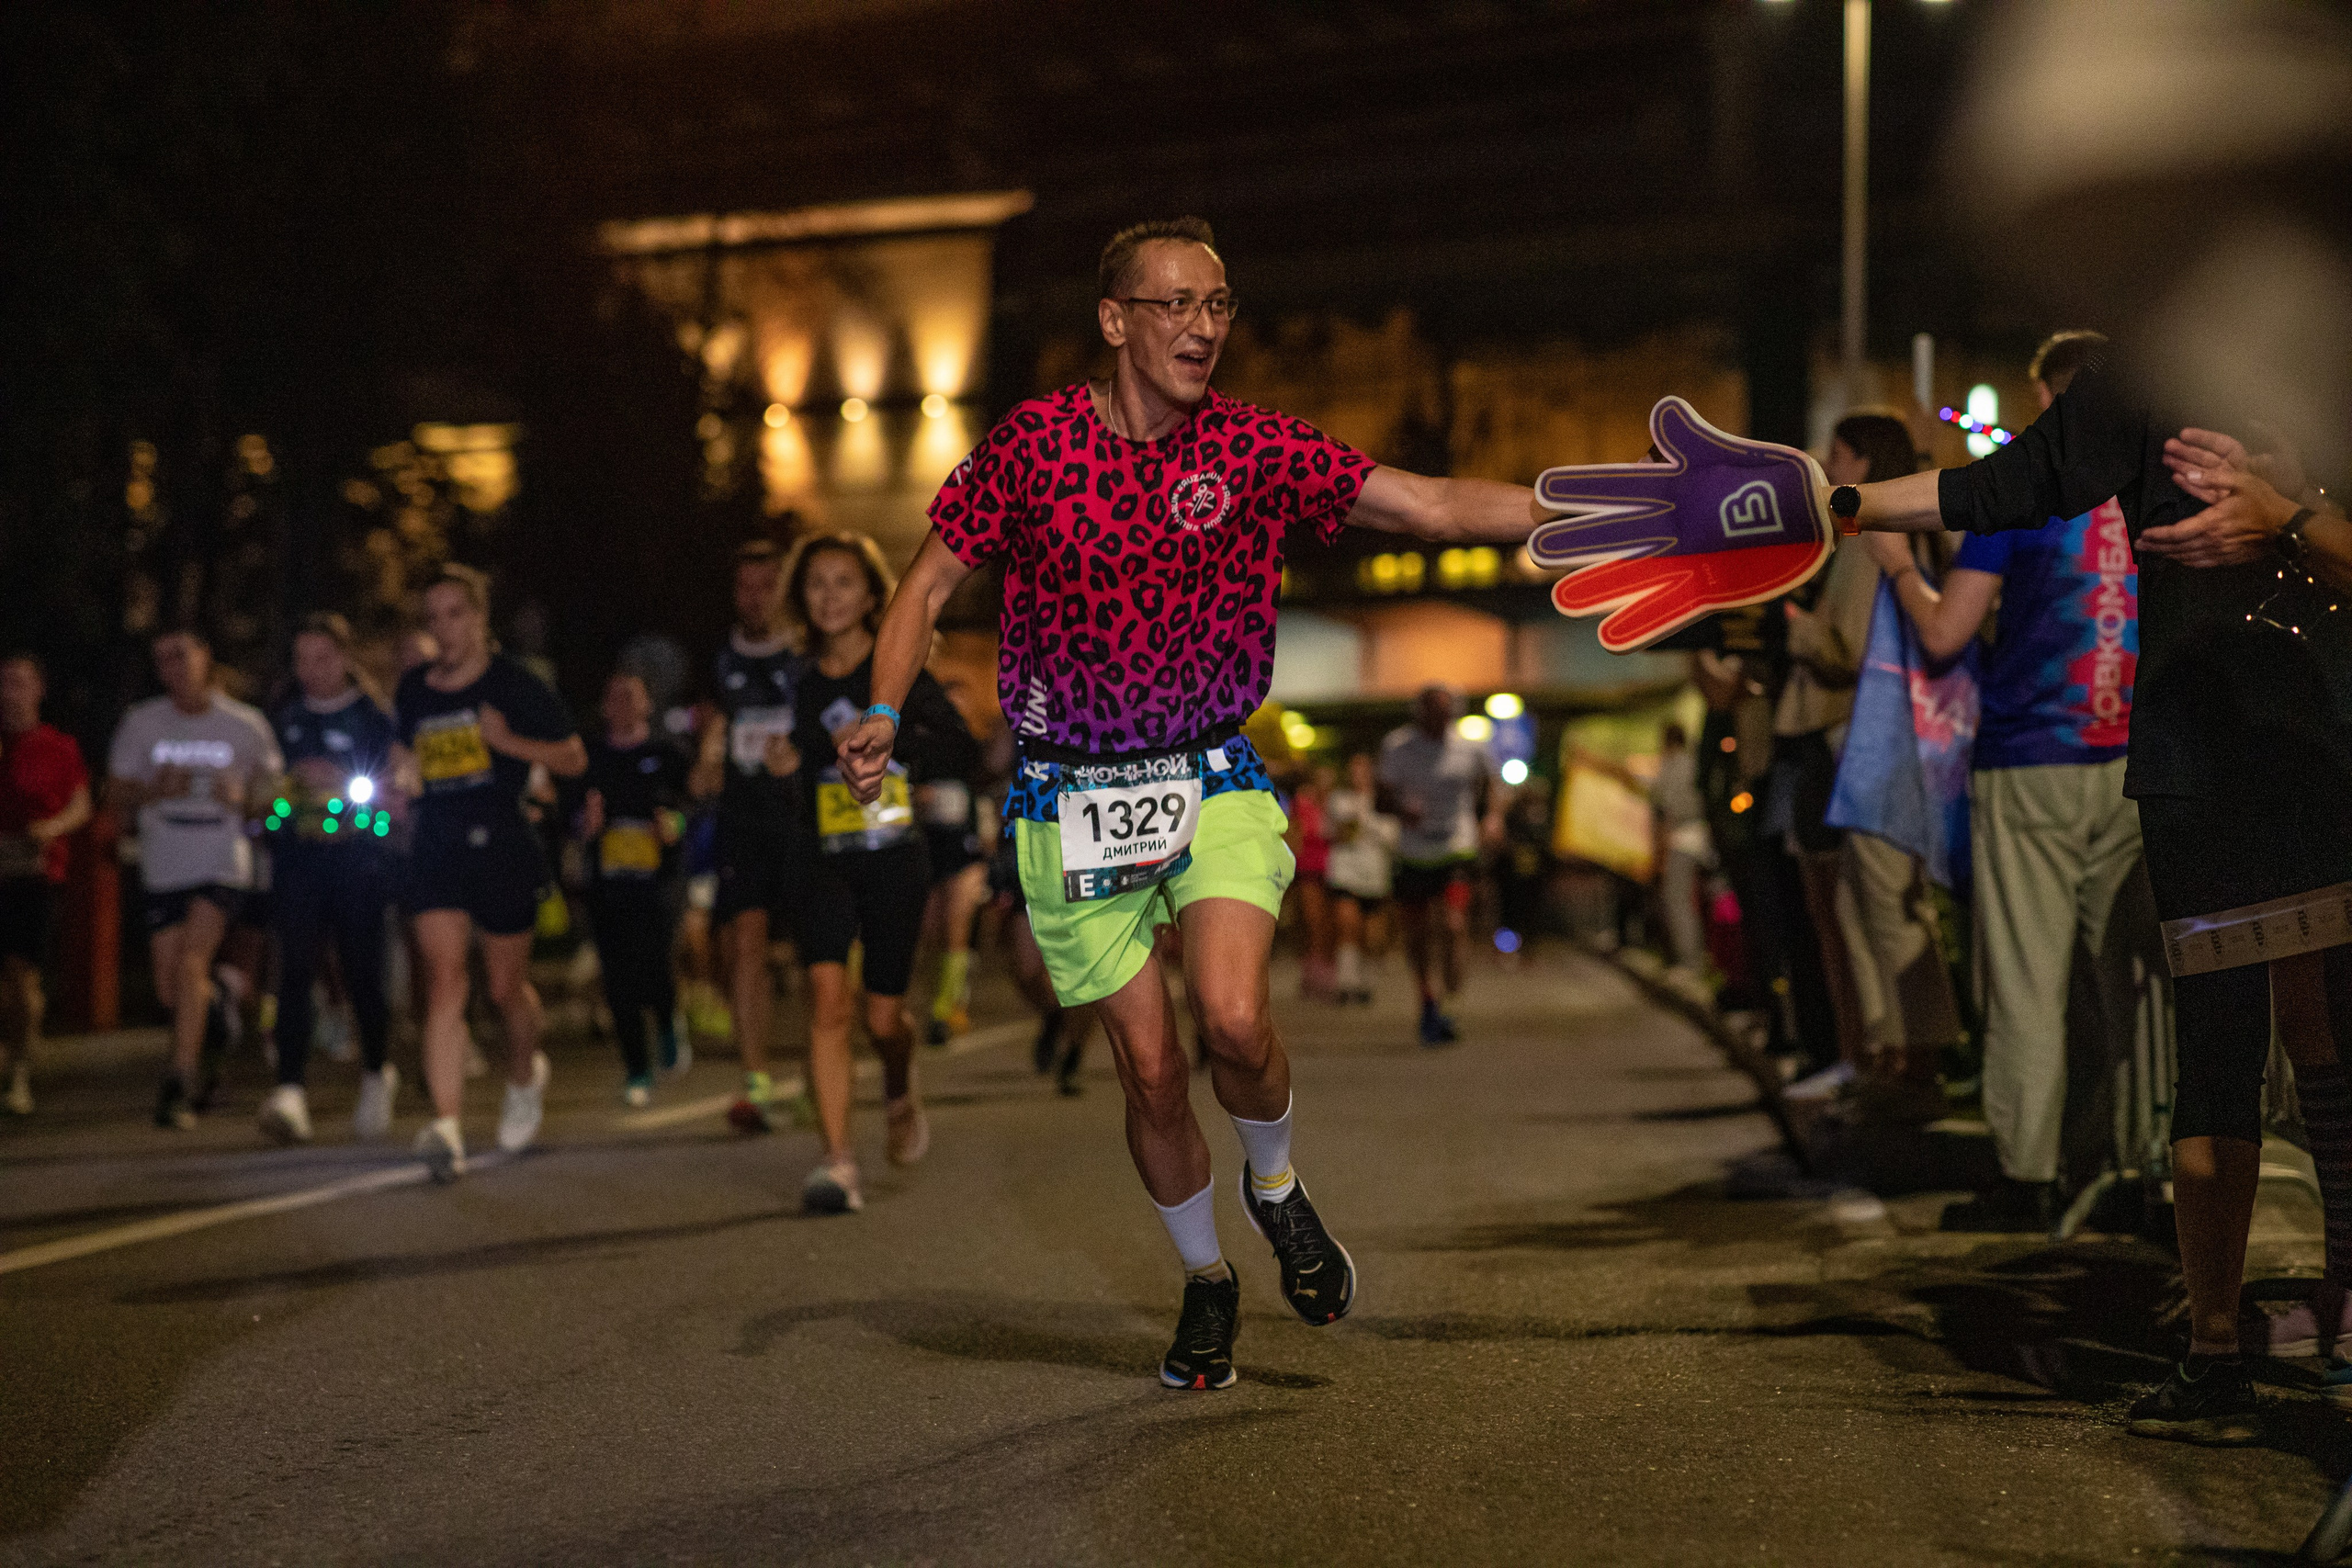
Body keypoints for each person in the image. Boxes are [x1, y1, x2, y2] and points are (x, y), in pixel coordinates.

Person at [838, 216, 1538, 1388]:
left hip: (1205, 770)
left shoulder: (1256, 446)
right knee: (1151, 1070)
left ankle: (1276, 1186)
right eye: (1176, 305)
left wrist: (1602, 516)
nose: (1203, 327)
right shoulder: (1033, 446)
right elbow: (924, 587)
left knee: (1232, 1020)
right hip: (1069, 796)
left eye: (1217, 306)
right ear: (1115, 320)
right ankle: (1206, 1282)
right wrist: (876, 708)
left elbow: (1424, 506)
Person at [1841, 345, 2352, 1444]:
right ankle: (2215, 1349)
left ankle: (2336, 1318)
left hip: (2328, 742)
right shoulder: (2147, 365)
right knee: (2215, 1049)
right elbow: (1999, 486)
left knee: (2331, 1031)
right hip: (2194, 755)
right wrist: (1827, 499)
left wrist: (2290, 517)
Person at [1861, 332, 2144, 1230]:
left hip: (2030, 757)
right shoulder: (2146, 483)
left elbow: (1947, 635)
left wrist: (1902, 568)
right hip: (2133, 759)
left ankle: (2027, 1177)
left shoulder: (2023, 494)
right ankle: (2127, 1167)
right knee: (2122, 979)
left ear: (2047, 397)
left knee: (2024, 978)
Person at [785, 531, 980, 1213]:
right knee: (827, 999)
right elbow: (779, 760)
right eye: (816, 584)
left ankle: (899, 1079)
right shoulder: (798, 679)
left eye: (844, 582)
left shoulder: (896, 672)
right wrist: (785, 762)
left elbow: (963, 744)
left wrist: (900, 751)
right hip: (822, 856)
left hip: (894, 855)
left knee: (882, 1015)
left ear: (873, 594)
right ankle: (837, 1160)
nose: (830, 596)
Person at [393, 565, 584, 1181]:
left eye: (456, 613)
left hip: (502, 841)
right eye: (434, 617)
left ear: (479, 618)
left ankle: (525, 1074)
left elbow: (574, 756)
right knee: (446, 981)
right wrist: (402, 775)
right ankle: (446, 1127)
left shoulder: (515, 684)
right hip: (438, 843)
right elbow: (404, 752)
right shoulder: (415, 688)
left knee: (505, 989)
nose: (444, 628)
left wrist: (509, 744)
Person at [107, 629, 281, 1129]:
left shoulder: (244, 725)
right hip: (164, 857)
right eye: (164, 659)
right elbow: (114, 790)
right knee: (171, 989)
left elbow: (273, 794)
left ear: (206, 658)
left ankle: (177, 1082)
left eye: (183, 655)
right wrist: (152, 789)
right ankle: (219, 1009)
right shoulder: (143, 723)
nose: (174, 666)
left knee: (191, 963)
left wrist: (243, 798)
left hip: (221, 857)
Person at [258, 614, 400, 1145]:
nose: (311, 670)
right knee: (295, 970)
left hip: (359, 865)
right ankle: (291, 1090)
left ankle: (377, 1072)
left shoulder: (374, 719)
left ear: (344, 658)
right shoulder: (283, 720)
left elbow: (389, 805)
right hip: (299, 863)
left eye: (322, 657)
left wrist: (350, 799)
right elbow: (268, 801)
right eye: (301, 659)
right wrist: (278, 805)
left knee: (363, 973)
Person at [689, 538, 809, 1134]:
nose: (756, 598)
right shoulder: (719, 657)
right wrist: (707, 759)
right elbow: (713, 724)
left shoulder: (807, 650)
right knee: (745, 943)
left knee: (821, 950)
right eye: (745, 587)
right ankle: (755, 1080)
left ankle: (821, 1070)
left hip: (803, 817)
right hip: (743, 819)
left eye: (767, 585)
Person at [578, 670, 691, 1108]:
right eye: (614, 697)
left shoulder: (667, 754)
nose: (623, 705)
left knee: (655, 966)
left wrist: (674, 825)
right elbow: (569, 814)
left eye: (631, 696)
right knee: (618, 979)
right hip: (608, 885)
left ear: (647, 704)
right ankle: (636, 1070)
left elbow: (689, 808)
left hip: (658, 885)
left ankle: (666, 1020)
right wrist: (582, 824)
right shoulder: (591, 758)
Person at [1379, 685, 1501, 1046]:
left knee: (1452, 923)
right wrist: (1402, 809)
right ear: (1419, 714)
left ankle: (1451, 994)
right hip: (1413, 851)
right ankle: (1428, 998)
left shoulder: (1469, 746)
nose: (1439, 722)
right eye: (1432, 714)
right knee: (1417, 934)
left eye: (1445, 715)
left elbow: (1492, 783)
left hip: (1456, 847)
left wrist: (1493, 817)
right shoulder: (1398, 747)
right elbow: (1380, 797)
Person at [0, 655, 92, 1116]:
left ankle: (19, 1067)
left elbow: (82, 806)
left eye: (19, 682)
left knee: (21, 973)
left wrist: (51, 827)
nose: (10, 691)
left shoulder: (58, 746)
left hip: (34, 871)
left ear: (38, 689)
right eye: (4, 683)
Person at [918, 705, 993, 1046]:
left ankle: (945, 1011)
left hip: (966, 851)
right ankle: (939, 998)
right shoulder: (914, 748)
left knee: (956, 927)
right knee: (930, 931)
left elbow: (988, 785)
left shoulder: (973, 748)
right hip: (929, 849)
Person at [1323, 751, 1398, 1005]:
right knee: (1347, 925)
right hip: (1346, 872)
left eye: (1364, 769)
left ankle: (1365, 979)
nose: (1359, 775)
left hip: (1374, 874)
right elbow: (1339, 831)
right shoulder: (1340, 799)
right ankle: (1346, 982)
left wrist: (1368, 824)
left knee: (1371, 935)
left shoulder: (1383, 801)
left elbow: (1393, 835)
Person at [1650, 722, 1709, 976]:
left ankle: (1690, 963)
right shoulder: (1693, 762)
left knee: (1678, 902)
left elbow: (1665, 809)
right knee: (1693, 902)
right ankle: (1697, 959)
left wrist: (1660, 851)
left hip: (1681, 839)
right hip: (1702, 837)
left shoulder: (1671, 766)